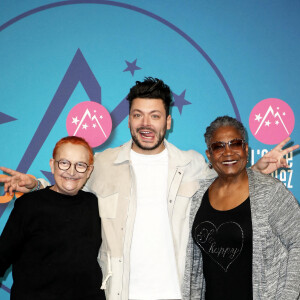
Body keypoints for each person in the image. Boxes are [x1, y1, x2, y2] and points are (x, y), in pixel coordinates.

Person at [0, 78, 298, 300]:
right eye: (138, 114)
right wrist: (38, 185)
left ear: (168, 122)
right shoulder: (101, 164)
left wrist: (255, 171)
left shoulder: (193, 164)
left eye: (155, 115)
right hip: (121, 294)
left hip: (178, 294)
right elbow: (67, 189)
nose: (146, 123)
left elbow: (228, 182)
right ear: (129, 119)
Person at [182, 116, 300, 300]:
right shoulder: (198, 196)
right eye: (218, 146)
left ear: (245, 149)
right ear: (209, 155)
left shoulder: (270, 192)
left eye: (235, 144)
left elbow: (298, 242)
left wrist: (288, 296)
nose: (228, 152)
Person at [0, 136, 105, 300]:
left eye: (80, 165)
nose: (71, 171)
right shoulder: (28, 205)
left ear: (89, 171)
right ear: (52, 165)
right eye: (64, 163)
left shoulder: (94, 205)